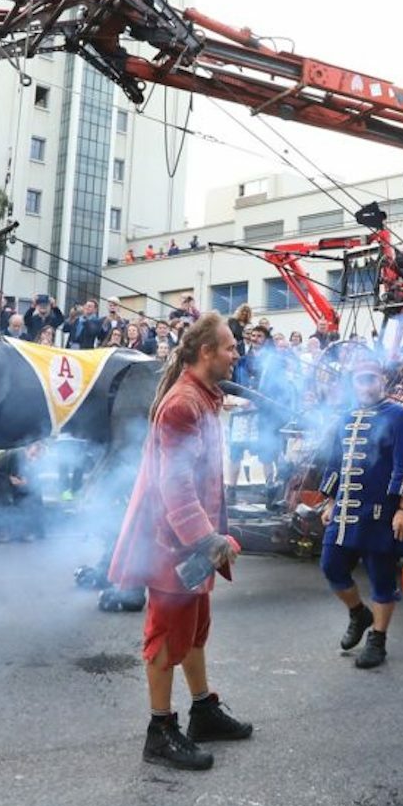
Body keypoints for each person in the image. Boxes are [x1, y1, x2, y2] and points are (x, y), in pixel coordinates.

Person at [108, 312, 250, 770]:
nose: (236, 354)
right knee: (167, 637)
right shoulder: (183, 405)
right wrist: (206, 539)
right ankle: (160, 731)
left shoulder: (203, 397)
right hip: (170, 542)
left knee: (194, 629)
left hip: (189, 542)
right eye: (229, 347)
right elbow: (176, 487)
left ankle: (202, 710)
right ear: (206, 352)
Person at [316, 357, 403, 669]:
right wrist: (330, 501)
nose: (366, 385)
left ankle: (378, 639)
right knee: (331, 566)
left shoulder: (400, 416)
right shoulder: (346, 417)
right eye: (360, 380)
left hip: (381, 513)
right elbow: (336, 462)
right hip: (344, 512)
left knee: (381, 579)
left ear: (382, 381)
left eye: (371, 379)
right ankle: (358, 614)